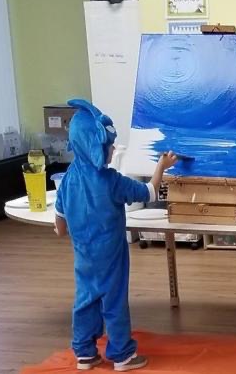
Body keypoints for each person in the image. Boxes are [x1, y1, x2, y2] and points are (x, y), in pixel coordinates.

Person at [54, 99, 177, 371]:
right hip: (111, 256)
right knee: (114, 301)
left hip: (84, 257)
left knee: (85, 300)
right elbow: (150, 193)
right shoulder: (112, 181)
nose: (113, 149)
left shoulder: (67, 180)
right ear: (94, 146)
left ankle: (85, 354)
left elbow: (60, 227)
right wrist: (161, 166)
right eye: (109, 146)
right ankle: (122, 355)